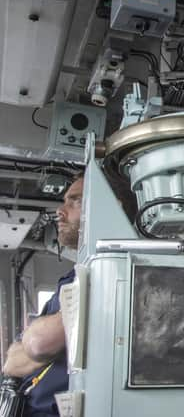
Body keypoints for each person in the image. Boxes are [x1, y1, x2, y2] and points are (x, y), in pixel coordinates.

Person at [2, 176, 83, 416]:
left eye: (75, 201)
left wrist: (39, 346)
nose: (60, 210)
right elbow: (12, 362)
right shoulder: (71, 281)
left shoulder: (105, 277)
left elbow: (37, 343)